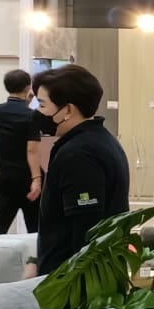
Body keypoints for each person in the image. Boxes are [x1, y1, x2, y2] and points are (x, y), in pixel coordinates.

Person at [32, 63, 130, 281]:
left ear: (67, 110)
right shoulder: (101, 140)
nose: (38, 113)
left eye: (42, 105)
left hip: (77, 286)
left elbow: (86, 231)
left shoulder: (78, 154)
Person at [0, 69, 43, 235]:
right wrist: (37, 179)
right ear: (28, 88)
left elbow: (15, 115)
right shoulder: (32, 116)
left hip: (4, 177)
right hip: (26, 178)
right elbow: (32, 149)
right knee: (35, 226)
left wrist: (25, 102)